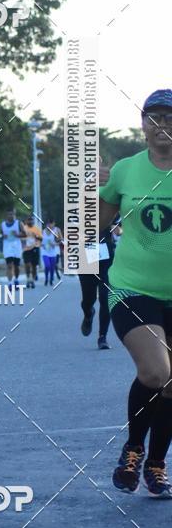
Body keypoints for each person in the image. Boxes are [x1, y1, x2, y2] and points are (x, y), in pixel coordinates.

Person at [100, 90, 172, 497]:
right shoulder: (126, 171)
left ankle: (157, 464)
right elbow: (93, 225)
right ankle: (132, 448)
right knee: (157, 371)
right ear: (143, 125)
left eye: (170, 116)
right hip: (133, 287)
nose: (163, 124)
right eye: (154, 116)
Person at [77, 225, 114, 350]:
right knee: (88, 300)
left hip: (106, 261)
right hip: (86, 259)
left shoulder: (111, 209)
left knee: (105, 298)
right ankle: (88, 314)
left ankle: (102, 337)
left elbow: (120, 229)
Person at [1, 209, 25, 289]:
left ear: (15, 215)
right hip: (7, 247)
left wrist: (18, 235)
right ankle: (10, 283)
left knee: (16, 266)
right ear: (6, 215)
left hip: (17, 247)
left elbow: (25, 234)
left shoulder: (18, 223)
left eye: (12, 214)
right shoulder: (3, 224)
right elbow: (0, 234)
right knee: (9, 265)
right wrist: (2, 236)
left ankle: (16, 279)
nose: (11, 216)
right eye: (9, 214)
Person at [22, 214, 42, 289]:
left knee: (34, 266)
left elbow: (41, 239)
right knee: (27, 265)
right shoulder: (24, 228)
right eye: (29, 219)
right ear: (26, 221)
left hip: (35, 248)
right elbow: (20, 237)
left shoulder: (37, 229)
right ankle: (28, 279)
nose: (30, 221)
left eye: (31, 220)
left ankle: (32, 280)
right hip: (26, 249)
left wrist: (36, 236)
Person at [41, 219, 60, 285]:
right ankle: (46, 278)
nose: (50, 225)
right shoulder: (43, 232)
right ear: (47, 225)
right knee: (47, 266)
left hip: (52, 252)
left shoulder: (55, 232)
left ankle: (51, 279)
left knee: (52, 267)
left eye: (51, 224)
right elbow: (39, 240)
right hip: (45, 252)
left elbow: (60, 240)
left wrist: (55, 244)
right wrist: (41, 244)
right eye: (48, 224)